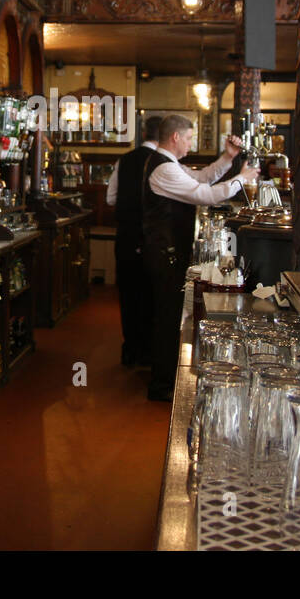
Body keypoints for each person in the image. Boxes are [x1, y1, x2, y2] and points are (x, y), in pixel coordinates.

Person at [143, 114, 258, 402]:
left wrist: (227, 158)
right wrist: (241, 180)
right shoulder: (163, 170)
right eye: (190, 138)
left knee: (169, 318)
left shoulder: (169, 165)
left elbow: (201, 177)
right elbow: (203, 194)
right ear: (176, 138)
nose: (192, 143)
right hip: (163, 254)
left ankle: (164, 380)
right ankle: (161, 386)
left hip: (168, 253)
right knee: (167, 319)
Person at [105, 115, 162, 367]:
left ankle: (130, 350)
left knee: (128, 294)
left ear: (143, 133)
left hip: (126, 237)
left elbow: (110, 198)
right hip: (153, 238)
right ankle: (149, 351)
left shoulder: (124, 160)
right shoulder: (163, 162)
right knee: (152, 295)